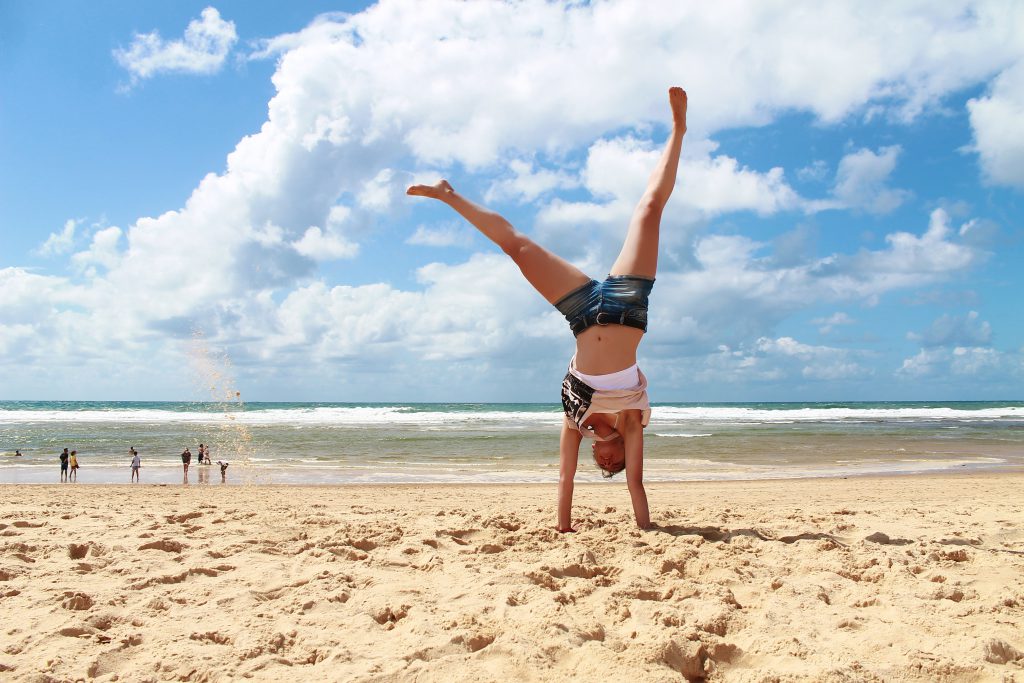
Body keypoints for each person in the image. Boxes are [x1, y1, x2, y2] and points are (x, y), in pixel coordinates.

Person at [408, 87, 687, 532]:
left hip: (580, 314)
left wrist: (562, 528)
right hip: (624, 308)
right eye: (613, 461)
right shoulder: (632, 422)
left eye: (605, 462)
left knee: (519, 250)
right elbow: (636, 483)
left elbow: (564, 477)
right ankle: (679, 129)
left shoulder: (575, 422)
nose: (609, 458)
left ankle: (448, 195)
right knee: (650, 210)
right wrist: (647, 529)